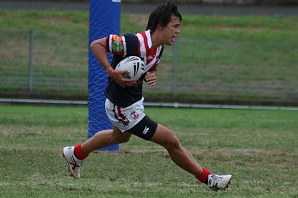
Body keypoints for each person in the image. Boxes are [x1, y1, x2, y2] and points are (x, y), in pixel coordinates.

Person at [63, 2, 232, 191]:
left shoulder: (159, 48)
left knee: (118, 137)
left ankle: (75, 153)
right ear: (160, 25)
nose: (178, 31)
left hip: (132, 103)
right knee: (170, 140)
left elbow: (147, 68)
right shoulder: (131, 42)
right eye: (175, 26)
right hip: (122, 107)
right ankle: (209, 179)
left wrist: (151, 74)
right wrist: (111, 71)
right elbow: (97, 45)